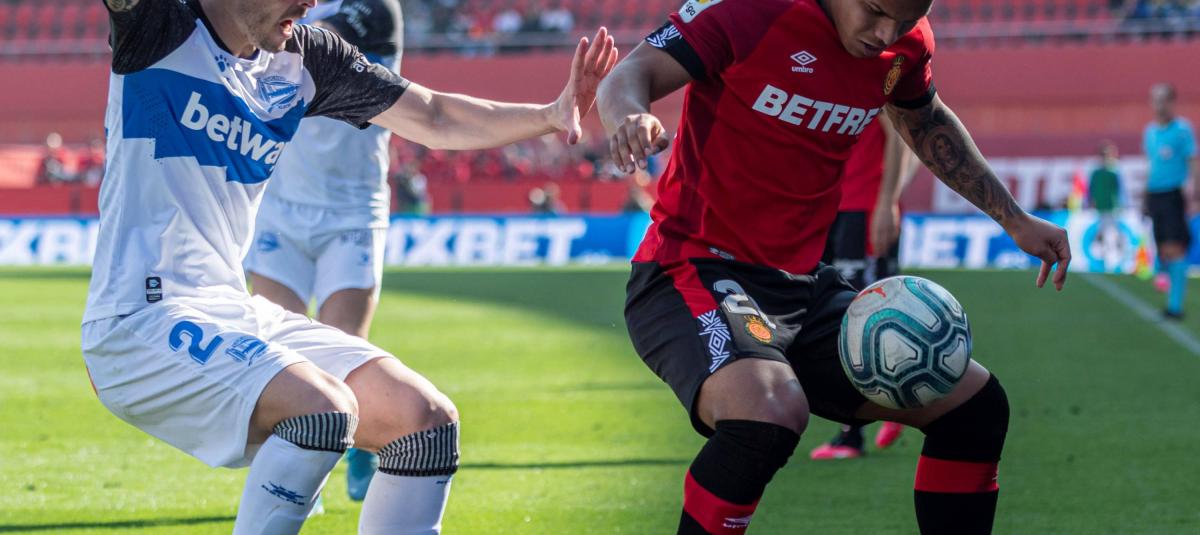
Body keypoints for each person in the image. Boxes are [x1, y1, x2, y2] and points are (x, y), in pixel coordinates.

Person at [81, 1, 616, 533]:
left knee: (425, 423)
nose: (312, 3)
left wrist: (549, 115)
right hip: (138, 318)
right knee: (322, 410)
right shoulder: (155, 23)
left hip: (229, 307)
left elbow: (433, 115)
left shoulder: (306, 57)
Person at [598, 0, 1070, 533]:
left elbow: (925, 121)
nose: (887, 33)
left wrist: (1013, 219)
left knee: (974, 408)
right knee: (766, 413)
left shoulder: (907, 45)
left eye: (905, 20)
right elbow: (629, 73)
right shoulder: (749, 11)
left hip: (802, 286)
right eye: (874, 10)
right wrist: (629, 117)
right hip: (692, 267)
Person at [241, 0, 402, 503]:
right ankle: (288, 488)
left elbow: (305, 41)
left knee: (341, 349)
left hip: (351, 209)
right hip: (279, 205)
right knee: (277, 356)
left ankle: (363, 446)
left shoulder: (375, 8)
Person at [809, 116, 918, 460]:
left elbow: (906, 136)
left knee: (862, 319)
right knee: (829, 314)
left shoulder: (879, 84)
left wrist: (887, 201)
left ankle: (855, 432)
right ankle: (902, 400)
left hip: (863, 209)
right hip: (830, 206)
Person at [1143, 82, 1196, 319]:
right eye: (1155, 100)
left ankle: (1175, 308)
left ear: (1172, 102)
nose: (1159, 105)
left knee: (1175, 249)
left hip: (1173, 194)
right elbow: (1151, 165)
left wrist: (1196, 195)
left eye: (1163, 100)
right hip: (1155, 196)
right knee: (1163, 249)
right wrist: (1145, 196)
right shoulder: (1150, 132)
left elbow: (1193, 162)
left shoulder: (1182, 130)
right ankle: (1170, 300)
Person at [1087, 140, 1124, 272]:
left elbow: (1121, 190)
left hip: (1113, 208)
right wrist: (1091, 202)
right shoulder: (1096, 172)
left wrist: (1121, 204)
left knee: (1113, 234)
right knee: (1104, 234)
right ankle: (1105, 261)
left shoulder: (1115, 171)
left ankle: (1112, 262)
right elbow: (1091, 190)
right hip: (1101, 208)